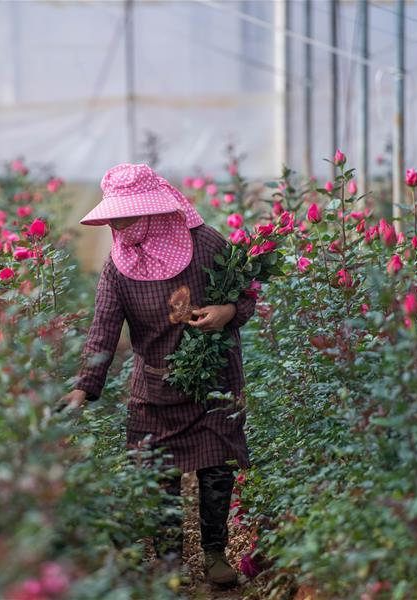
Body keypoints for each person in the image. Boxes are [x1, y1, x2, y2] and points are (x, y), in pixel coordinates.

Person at [61, 163, 255, 586]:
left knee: (216, 469)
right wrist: (82, 388)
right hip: (154, 388)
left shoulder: (205, 246)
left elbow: (244, 294)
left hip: (213, 383)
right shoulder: (118, 266)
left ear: (152, 211)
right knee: (157, 476)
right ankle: (170, 562)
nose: (118, 223)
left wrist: (226, 313)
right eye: (115, 215)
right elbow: (103, 329)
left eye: (127, 214)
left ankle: (215, 554)